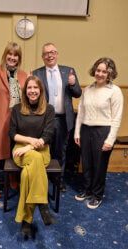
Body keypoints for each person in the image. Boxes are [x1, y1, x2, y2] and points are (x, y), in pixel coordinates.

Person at [9, 75, 56, 238]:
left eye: (36, 87)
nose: (32, 91)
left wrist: (30, 146)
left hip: (42, 149)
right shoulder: (17, 109)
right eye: (29, 87)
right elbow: (12, 134)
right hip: (20, 150)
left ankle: (26, 220)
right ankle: (42, 203)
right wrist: (28, 141)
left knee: (27, 173)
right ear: (25, 90)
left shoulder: (49, 109)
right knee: (34, 160)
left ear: (40, 90)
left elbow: (48, 135)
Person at [74, 57, 123, 209]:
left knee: (99, 165)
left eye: (104, 71)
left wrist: (110, 140)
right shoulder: (88, 89)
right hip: (86, 130)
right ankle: (87, 190)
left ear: (110, 74)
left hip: (103, 132)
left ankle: (97, 194)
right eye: (98, 70)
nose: (100, 74)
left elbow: (117, 118)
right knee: (86, 163)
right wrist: (77, 133)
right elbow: (81, 113)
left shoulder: (115, 91)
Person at [33, 43, 81, 192]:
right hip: (44, 120)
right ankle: (43, 179)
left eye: (52, 52)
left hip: (62, 119)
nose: (50, 55)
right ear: (42, 57)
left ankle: (58, 180)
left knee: (61, 151)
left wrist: (73, 84)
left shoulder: (69, 71)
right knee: (43, 150)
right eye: (46, 53)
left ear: (57, 54)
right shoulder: (36, 73)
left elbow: (78, 93)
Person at [0, 42, 27, 199]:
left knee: (14, 149)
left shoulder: (23, 75)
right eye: (10, 54)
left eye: (16, 55)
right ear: (5, 55)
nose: (12, 57)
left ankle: (12, 176)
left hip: (17, 120)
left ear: (19, 58)